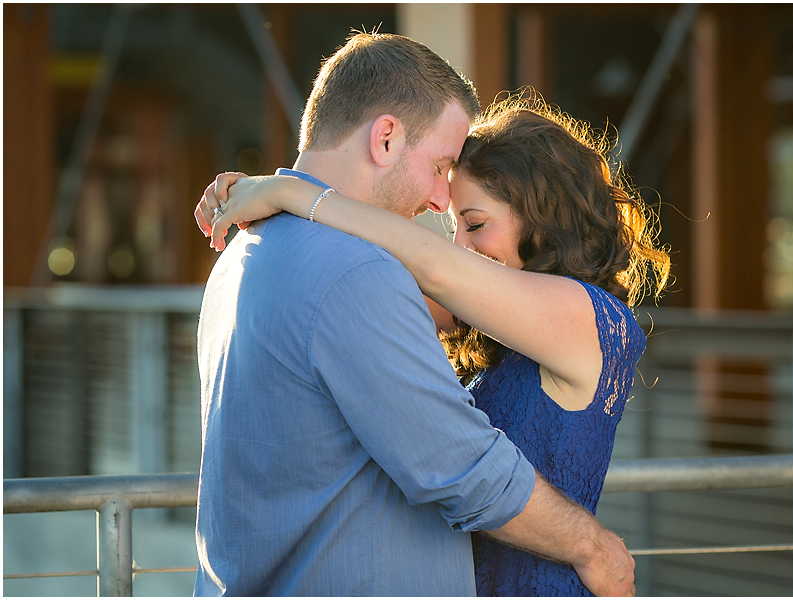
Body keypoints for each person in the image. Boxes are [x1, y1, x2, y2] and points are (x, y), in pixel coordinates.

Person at [192, 32, 635, 597]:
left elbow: (436, 270)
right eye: (439, 167)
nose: (435, 201)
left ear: (542, 219)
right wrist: (591, 544)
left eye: (472, 223)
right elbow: (461, 467)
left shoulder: (244, 254)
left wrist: (287, 191)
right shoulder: (357, 275)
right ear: (385, 138)